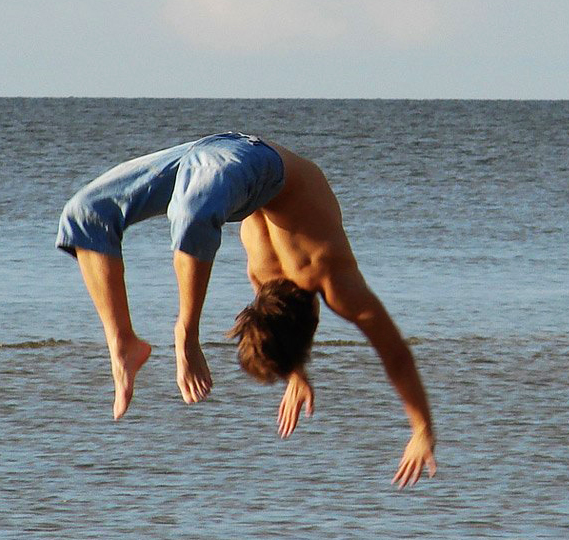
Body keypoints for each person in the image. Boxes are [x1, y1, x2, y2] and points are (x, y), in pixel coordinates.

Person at [57, 131, 437, 488]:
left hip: (215, 165)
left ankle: (125, 343)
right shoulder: (333, 277)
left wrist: (295, 372)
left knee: (86, 212)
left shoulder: (266, 282)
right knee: (193, 216)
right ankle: (178, 333)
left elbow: (285, 323)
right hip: (251, 160)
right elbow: (395, 354)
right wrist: (422, 430)